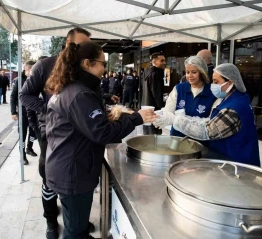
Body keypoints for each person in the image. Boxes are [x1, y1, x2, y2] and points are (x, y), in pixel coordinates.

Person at [44, 42, 156, 239]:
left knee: (75, 223)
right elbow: (103, 133)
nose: (105, 69)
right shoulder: (80, 93)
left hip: (66, 165)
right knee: (74, 231)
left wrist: (106, 116)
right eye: (102, 63)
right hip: (73, 172)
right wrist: (136, 117)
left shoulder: (71, 88)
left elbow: (83, 123)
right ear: (87, 63)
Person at [20, 27, 93, 239]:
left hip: (80, 132)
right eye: (80, 45)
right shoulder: (45, 65)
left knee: (74, 180)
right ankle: (51, 220)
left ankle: (75, 221)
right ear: (67, 44)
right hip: (50, 132)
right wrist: (48, 110)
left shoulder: (84, 67)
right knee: (49, 178)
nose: (84, 50)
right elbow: (25, 95)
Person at [154, 63, 260, 167]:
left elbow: (206, 131)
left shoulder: (233, 108)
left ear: (230, 82)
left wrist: (175, 120)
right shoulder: (231, 99)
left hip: (237, 164)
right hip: (227, 159)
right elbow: (210, 121)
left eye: (216, 82)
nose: (213, 86)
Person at [163, 56, 217, 137]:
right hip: (177, 137)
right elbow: (168, 112)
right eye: (187, 72)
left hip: (198, 140)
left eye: (194, 72)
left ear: (202, 73)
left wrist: (184, 121)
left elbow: (211, 122)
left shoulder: (212, 93)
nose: (190, 76)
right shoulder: (179, 89)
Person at [10, 61, 38, 165]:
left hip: (33, 111)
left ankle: (29, 148)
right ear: (28, 69)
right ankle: (22, 156)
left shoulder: (35, 79)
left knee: (33, 132)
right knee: (22, 135)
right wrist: (13, 112)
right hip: (22, 112)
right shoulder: (19, 80)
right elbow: (13, 96)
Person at [141, 52, 166, 135]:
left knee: (147, 133)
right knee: (154, 135)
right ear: (154, 62)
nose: (164, 63)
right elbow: (157, 93)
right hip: (154, 109)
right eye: (161, 61)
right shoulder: (157, 73)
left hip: (145, 106)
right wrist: (162, 108)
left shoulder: (146, 73)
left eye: (165, 60)